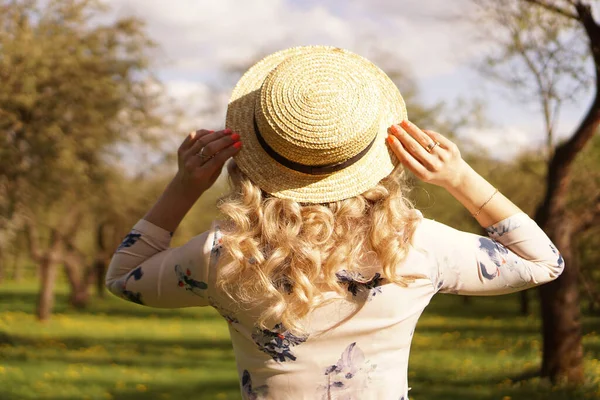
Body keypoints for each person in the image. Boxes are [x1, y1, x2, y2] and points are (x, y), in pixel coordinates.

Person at [106, 46, 564, 400]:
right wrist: (460, 178)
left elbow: (124, 276)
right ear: (378, 156)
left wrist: (185, 185)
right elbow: (544, 262)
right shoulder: (413, 248)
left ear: (252, 154)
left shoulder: (225, 255)